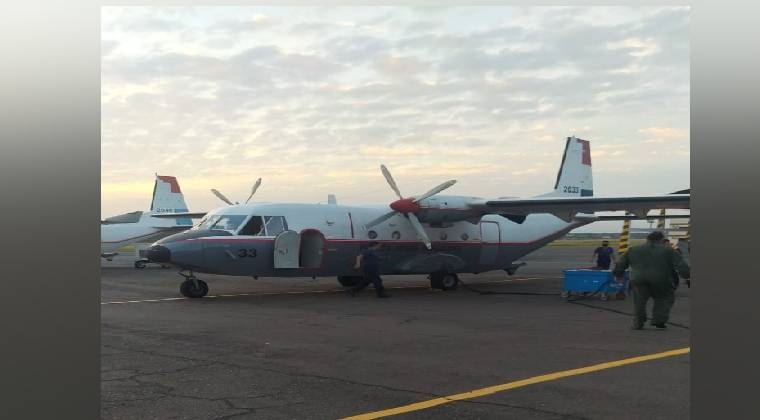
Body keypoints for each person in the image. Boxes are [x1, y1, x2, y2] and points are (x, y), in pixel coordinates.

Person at [613, 231, 690, 330]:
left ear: (647, 239)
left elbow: (621, 263)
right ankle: (659, 320)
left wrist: (618, 274)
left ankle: (638, 323)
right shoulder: (669, 250)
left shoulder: (633, 249)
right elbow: (681, 265)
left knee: (639, 302)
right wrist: (687, 276)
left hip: (638, 279)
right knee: (664, 298)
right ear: (662, 239)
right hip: (661, 279)